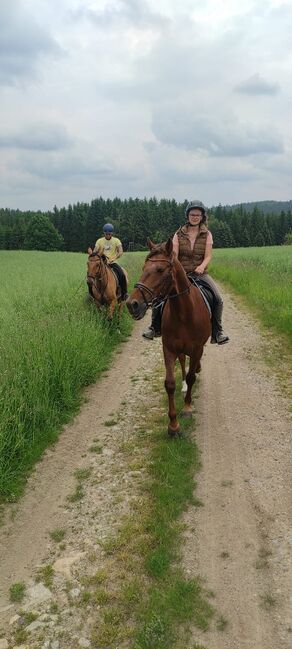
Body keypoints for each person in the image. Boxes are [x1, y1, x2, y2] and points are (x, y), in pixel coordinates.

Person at [143, 200, 229, 344]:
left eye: (198, 214)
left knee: (217, 299)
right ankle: (154, 327)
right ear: (187, 215)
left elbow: (208, 256)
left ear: (202, 216)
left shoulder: (207, 234)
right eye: (192, 214)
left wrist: (202, 266)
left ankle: (217, 331)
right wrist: (179, 269)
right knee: (161, 296)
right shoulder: (178, 234)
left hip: (200, 273)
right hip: (181, 273)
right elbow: (174, 255)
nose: (195, 217)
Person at [94, 223, 128, 300]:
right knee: (91, 275)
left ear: (112, 233)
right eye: (106, 234)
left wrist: (114, 258)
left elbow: (120, 251)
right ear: (104, 233)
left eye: (109, 234)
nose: (107, 235)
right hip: (101, 263)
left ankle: (124, 293)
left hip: (113, 263)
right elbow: (95, 251)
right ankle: (92, 294)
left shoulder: (116, 241)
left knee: (122, 275)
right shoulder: (99, 241)